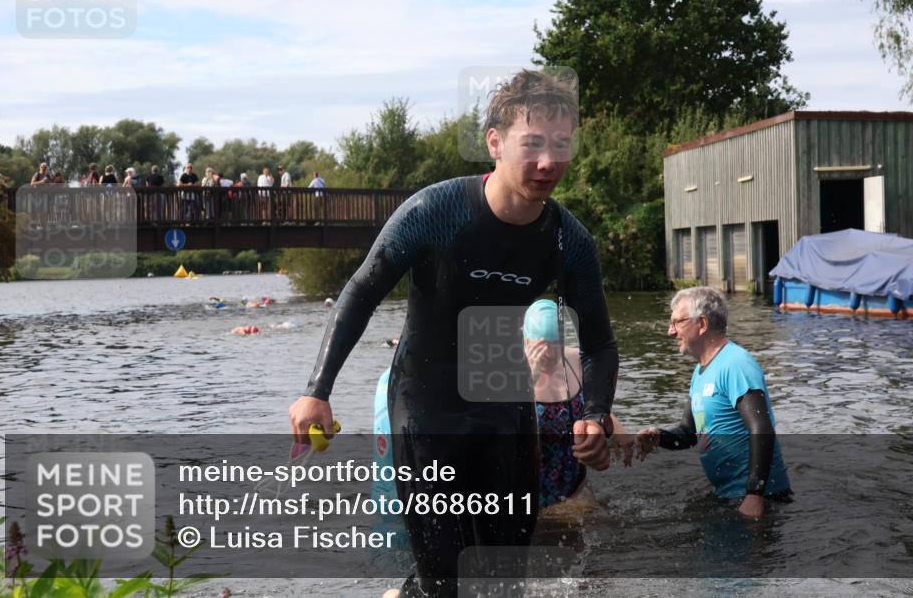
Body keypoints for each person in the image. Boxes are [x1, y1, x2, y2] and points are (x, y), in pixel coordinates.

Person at [288, 69, 618, 597]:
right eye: (531, 144)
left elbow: (600, 342)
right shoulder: (435, 211)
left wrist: (596, 415)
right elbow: (360, 292)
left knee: (505, 580)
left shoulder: (566, 239)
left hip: (503, 407)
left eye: (561, 145)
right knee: (445, 578)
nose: (548, 162)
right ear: (494, 143)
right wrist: (316, 390)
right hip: (427, 406)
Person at [636, 287, 791, 519]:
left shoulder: (735, 364)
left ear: (702, 324)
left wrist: (755, 495)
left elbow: (761, 428)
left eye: (677, 322)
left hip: (762, 500)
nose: (670, 332)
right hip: (728, 495)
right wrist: (659, 436)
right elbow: (688, 433)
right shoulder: (700, 371)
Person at [523, 299, 633, 514]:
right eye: (540, 345)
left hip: (575, 489)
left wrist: (619, 431)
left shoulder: (577, 362)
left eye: (555, 344)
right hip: (526, 492)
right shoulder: (507, 371)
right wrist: (530, 378)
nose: (548, 353)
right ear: (526, 340)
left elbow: (595, 408)